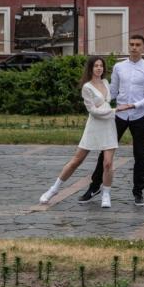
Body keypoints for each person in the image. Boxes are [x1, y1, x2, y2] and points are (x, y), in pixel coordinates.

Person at [79, 35, 144, 206]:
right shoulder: (119, 67)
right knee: (105, 153)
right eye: (132, 44)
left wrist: (133, 106)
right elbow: (111, 91)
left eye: (138, 45)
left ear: (143, 47)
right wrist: (99, 105)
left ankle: (138, 192)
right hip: (119, 115)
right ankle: (94, 187)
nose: (134, 47)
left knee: (140, 154)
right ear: (128, 46)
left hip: (139, 115)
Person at [39, 57, 118, 208]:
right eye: (96, 66)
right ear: (90, 68)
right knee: (77, 160)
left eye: (101, 66)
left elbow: (108, 100)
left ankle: (106, 194)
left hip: (108, 126)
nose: (99, 68)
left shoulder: (106, 83)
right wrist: (115, 111)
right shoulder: (86, 87)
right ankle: (53, 189)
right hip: (94, 126)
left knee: (108, 163)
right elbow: (93, 111)